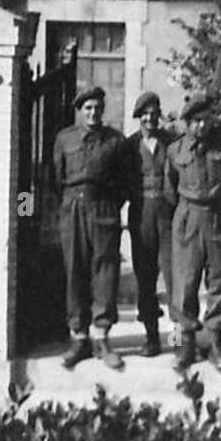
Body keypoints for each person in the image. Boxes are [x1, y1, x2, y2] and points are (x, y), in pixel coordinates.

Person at [53, 86, 129, 370]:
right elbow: (55, 178)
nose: (93, 113)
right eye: (88, 108)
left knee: (105, 272)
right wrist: (27, 211)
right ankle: (79, 336)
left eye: (97, 108)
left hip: (104, 209)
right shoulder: (64, 138)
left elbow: (124, 182)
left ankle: (102, 336)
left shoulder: (115, 141)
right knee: (75, 270)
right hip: (72, 209)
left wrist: (108, 205)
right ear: (79, 111)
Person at [165, 97, 221, 373]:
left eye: (205, 118)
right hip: (188, 217)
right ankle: (185, 344)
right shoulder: (175, 150)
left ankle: (216, 343)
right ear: (187, 123)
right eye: (196, 120)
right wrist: (186, 214)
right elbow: (169, 189)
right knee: (185, 282)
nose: (202, 124)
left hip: (219, 217)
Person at [122, 91, 175, 357]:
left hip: (168, 214)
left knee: (175, 277)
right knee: (145, 277)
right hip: (141, 213)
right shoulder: (130, 146)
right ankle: (151, 337)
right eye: (145, 115)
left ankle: (178, 340)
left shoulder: (172, 143)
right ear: (138, 118)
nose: (150, 119)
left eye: (154, 114)